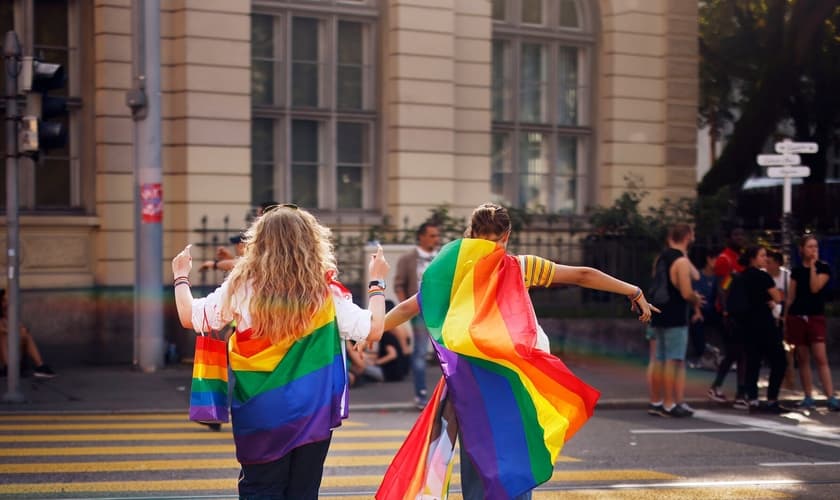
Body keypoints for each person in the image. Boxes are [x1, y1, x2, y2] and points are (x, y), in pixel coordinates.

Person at [378, 203, 656, 500]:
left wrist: (372, 330)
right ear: (507, 236)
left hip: (469, 383)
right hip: (513, 381)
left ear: (471, 234)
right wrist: (633, 290)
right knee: (515, 460)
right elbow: (583, 275)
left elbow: (410, 306)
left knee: (478, 464)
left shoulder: (454, 276)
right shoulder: (519, 267)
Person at [171, 204, 390, 499]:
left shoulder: (240, 287)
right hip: (312, 413)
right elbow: (374, 329)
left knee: (259, 490)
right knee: (303, 492)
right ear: (311, 242)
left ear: (259, 242)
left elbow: (191, 316)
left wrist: (180, 275)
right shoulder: (326, 291)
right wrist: (377, 281)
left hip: (259, 413)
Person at [646, 223, 703, 418]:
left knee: (659, 360)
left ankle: (656, 401)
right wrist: (697, 300)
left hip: (658, 313)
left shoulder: (661, 258)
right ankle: (670, 404)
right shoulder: (681, 262)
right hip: (676, 315)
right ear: (688, 236)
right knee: (674, 360)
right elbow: (686, 291)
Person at [786, 235, 839, 411]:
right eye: (809, 247)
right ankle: (808, 396)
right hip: (798, 315)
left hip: (815, 316)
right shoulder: (796, 270)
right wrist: (786, 318)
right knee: (802, 358)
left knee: (820, 357)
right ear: (802, 249)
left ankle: (830, 396)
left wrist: (813, 266)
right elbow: (791, 296)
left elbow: (815, 287)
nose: (813, 250)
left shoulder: (823, 268)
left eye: (815, 246)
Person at [393, 221, 441, 408]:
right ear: (421, 236)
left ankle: (451, 396)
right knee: (420, 352)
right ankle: (421, 395)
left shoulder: (441, 257)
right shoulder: (408, 259)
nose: (435, 239)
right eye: (432, 235)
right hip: (420, 311)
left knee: (449, 353)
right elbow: (399, 285)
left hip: (442, 311)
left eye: (437, 235)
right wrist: (407, 309)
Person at [736, 246, 788, 414]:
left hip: (746, 325)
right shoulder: (763, 276)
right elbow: (778, 297)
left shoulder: (741, 277)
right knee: (779, 360)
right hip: (764, 324)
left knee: (753, 363)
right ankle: (772, 399)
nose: (765, 259)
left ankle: (753, 399)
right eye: (763, 255)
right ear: (753, 258)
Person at [708, 226, 749, 408]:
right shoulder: (724, 259)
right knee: (736, 352)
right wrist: (725, 311)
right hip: (727, 313)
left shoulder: (742, 259)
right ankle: (728, 389)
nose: (740, 238)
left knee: (738, 353)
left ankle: (739, 391)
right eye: (736, 235)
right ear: (729, 238)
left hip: (739, 312)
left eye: (742, 234)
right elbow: (721, 287)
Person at [0, 289, 56, 379]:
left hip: (13, 352)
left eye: (6, 301)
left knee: (25, 334)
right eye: (3, 301)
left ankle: (40, 366)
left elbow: (20, 327)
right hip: (3, 354)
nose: (5, 304)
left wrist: (21, 330)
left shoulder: (9, 315)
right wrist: (11, 331)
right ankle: (7, 368)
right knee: (2, 336)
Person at [688, 245, 721, 369]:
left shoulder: (719, 277)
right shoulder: (698, 276)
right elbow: (694, 294)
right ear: (709, 259)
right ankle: (701, 355)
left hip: (715, 310)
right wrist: (697, 311)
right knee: (696, 323)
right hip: (701, 309)